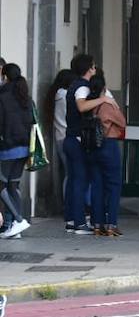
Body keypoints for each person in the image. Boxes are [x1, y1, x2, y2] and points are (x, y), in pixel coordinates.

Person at [63, 54, 103, 233]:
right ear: (89, 68)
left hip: (70, 138)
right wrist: (103, 99)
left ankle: (71, 219)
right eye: (94, 67)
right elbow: (81, 106)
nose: (95, 70)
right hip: (78, 139)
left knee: (73, 181)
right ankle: (79, 222)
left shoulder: (73, 85)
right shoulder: (82, 87)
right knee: (80, 181)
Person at [85, 72, 126, 237]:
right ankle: (111, 224)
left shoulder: (89, 105)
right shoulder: (107, 105)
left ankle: (96, 224)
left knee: (97, 186)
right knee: (114, 185)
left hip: (92, 148)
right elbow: (122, 122)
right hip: (108, 145)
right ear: (104, 88)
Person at [0, 63, 36, 239]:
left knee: (1, 185)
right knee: (13, 185)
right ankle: (15, 227)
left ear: (4, 76)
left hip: (7, 147)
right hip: (24, 148)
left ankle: (18, 219)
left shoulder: (3, 96)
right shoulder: (26, 97)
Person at [46, 68, 73, 201]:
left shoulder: (56, 94)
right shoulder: (65, 95)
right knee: (71, 174)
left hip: (59, 137)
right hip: (67, 137)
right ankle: (69, 204)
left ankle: (67, 204)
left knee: (68, 173)